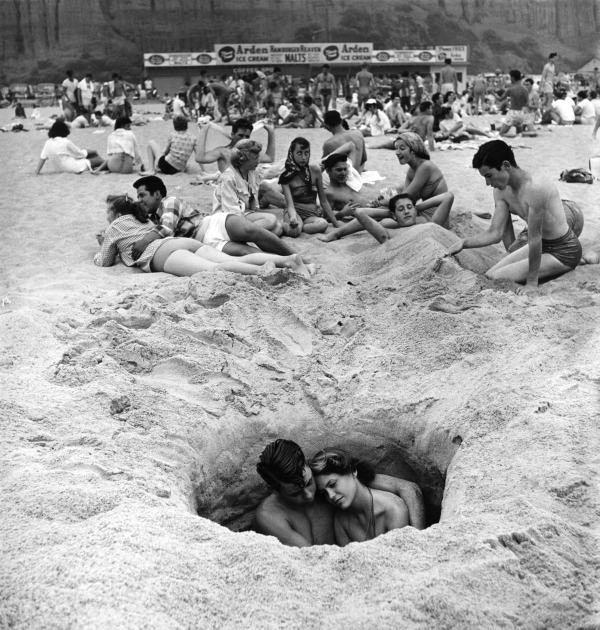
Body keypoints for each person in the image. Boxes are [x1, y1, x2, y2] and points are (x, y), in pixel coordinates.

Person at [447, 140, 586, 289]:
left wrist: (531, 283)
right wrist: (464, 243)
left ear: (506, 165)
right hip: (543, 245)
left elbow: (535, 239)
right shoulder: (500, 191)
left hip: (564, 250)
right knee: (489, 275)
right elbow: (495, 233)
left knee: (495, 278)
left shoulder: (536, 187)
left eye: (489, 176)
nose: (487, 183)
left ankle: (580, 259)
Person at [255, 439, 425, 547]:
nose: (309, 495)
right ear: (275, 489)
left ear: (306, 465)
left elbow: (408, 488)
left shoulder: (322, 474)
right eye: (295, 493)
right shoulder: (269, 515)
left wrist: (419, 541)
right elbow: (308, 560)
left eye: (309, 484)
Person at [95, 195, 306, 277]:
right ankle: (286, 260)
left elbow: (104, 261)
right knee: (234, 260)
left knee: (214, 270)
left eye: (108, 212)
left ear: (117, 214)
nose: (107, 216)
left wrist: (103, 244)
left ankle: (264, 272)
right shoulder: (145, 220)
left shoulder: (114, 227)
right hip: (180, 242)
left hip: (161, 253)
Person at [309, 447, 411, 545]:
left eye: (332, 484)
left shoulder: (394, 509)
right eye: (324, 493)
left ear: (353, 471)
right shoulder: (341, 520)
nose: (330, 496)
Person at [212, 139, 283, 234]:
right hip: (229, 219)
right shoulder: (228, 178)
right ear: (243, 160)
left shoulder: (252, 172)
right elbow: (232, 213)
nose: (258, 161)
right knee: (271, 219)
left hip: (245, 213)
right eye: (255, 158)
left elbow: (270, 172)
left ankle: (250, 236)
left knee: (278, 228)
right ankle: (243, 234)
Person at [278, 137, 337, 236]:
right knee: (294, 232)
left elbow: (323, 201)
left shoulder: (315, 170)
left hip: (311, 214)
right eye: (299, 153)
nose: (304, 157)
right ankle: (288, 225)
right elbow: (290, 205)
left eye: (306, 153)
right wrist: (292, 217)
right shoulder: (286, 177)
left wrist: (335, 222)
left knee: (323, 224)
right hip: (294, 212)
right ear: (292, 154)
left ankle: (300, 227)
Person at [36, 120, 103, 175]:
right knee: (98, 159)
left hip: (59, 169)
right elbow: (79, 154)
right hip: (73, 168)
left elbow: (42, 158)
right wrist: (91, 151)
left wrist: (37, 172)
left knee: (89, 156)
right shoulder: (66, 142)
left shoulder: (48, 142)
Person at [498, 70, 534, 135]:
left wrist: (492, 93)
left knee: (501, 134)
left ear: (513, 78)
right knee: (519, 134)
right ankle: (524, 134)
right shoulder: (525, 90)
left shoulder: (511, 89)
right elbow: (527, 104)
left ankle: (512, 136)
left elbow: (500, 99)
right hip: (521, 113)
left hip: (512, 113)